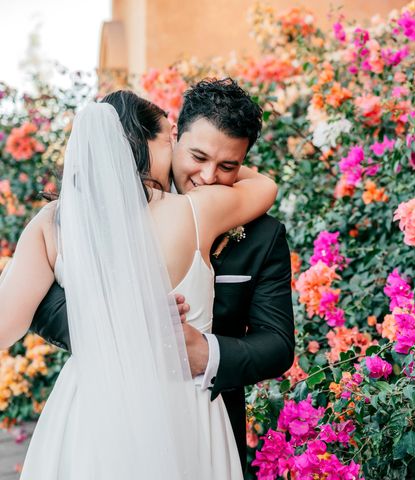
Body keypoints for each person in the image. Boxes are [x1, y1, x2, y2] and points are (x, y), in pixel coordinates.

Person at [0, 96, 277, 478]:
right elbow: (265, 185)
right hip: (184, 406)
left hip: (91, 405)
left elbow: (4, 329)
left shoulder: (54, 223)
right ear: (141, 142)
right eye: (169, 140)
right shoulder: (198, 211)